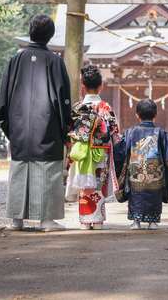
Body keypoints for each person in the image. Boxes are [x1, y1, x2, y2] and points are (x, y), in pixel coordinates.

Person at [0, 13, 71, 232]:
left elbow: (3, 96)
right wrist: (66, 130)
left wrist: (8, 122)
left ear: (30, 32)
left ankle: (16, 220)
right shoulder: (56, 61)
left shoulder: (15, 60)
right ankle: (46, 219)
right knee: (47, 170)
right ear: (50, 36)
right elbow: (63, 99)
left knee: (20, 168)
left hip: (19, 126)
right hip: (47, 127)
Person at [64, 65, 121, 230]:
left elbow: (68, 131)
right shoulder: (106, 108)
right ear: (101, 86)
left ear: (83, 86)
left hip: (80, 153)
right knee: (98, 184)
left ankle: (84, 221)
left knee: (84, 186)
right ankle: (97, 221)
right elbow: (115, 134)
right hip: (100, 153)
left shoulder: (76, 108)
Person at [114, 98, 168, 230]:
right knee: (154, 194)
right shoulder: (161, 133)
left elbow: (121, 152)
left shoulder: (130, 132)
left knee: (136, 194)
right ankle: (153, 222)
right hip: (155, 172)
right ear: (156, 115)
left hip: (135, 171)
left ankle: (136, 222)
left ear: (137, 115)